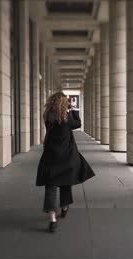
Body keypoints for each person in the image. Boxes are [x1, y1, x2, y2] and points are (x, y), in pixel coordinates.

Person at [36, 92, 95, 233]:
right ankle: (64, 206)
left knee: (51, 186)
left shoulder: (48, 116)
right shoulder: (67, 119)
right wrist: (72, 109)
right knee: (65, 181)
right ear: (64, 103)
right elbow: (78, 123)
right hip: (66, 157)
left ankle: (52, 220)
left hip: (50, 156)